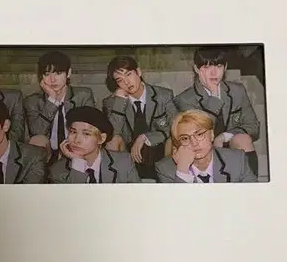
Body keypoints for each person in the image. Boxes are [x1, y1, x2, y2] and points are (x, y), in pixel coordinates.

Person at [173, 46, 261, 176]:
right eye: (206, 67)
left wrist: (225, 136)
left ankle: (250, 182)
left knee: (243, 139)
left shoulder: (237, 90)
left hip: (229, 143)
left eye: (218, 66)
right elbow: (200, 131)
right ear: (197, 69)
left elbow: (253, 126)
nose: (213, 73)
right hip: (201, 147)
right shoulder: (185, 99)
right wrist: (214, 97)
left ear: (225, 67)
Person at [101, 54, 175, 180]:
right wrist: (119, 102)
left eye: (128, 74)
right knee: (113, 139)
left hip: (160, 150)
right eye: (119, 80)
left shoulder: (163, 95)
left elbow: (176, 125)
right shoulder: (111, 102)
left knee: (173, 139)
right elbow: (112, 133)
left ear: (139, 72)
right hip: (129, 154)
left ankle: (168, 179)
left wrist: (145, 137)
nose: (126, 82)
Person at [23, 50, 95, 156]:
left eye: (58, 73)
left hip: (76, 147)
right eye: (47, 74)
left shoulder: (83, 95)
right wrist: (52, 101)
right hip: (47, 152)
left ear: (68, 73)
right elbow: (37, 132)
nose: (52, 80)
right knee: (37, 140)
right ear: (41, 77)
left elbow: (89, 129)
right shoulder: (33, 101)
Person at [155, 109, 257, 183]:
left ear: (212, 135)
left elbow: (253, 198)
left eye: (199, 134)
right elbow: (176, 204)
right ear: (178, 144)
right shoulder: (165, 169)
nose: (194, 143)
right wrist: (182, 170)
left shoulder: (237, 160)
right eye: (185, 138)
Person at [48, 106, 140, 184]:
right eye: (73, 132)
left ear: (102, 138)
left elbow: (137, 197)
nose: (77, 140)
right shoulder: (57, 170)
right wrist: (78, 163)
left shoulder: (124, 162)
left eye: (86, 134)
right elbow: (73, 198)